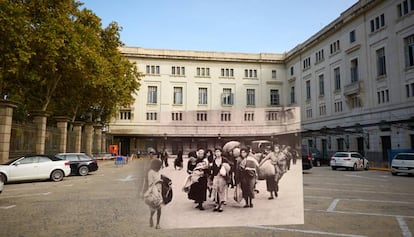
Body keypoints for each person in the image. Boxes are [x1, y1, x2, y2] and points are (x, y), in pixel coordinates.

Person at [143, 159, 163, 229]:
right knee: (154, 208)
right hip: (152, 191)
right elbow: (150, 183)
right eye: (159, 166)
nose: (160, 168)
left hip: (158, 191)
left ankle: (157, 224)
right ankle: (151, 218)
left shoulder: (159, 172)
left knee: (159, 208)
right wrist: (158, 181)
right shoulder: (150, 172)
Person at [211, 147, 230, 212]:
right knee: (215, 190)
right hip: (216, 176)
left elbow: (229, 167)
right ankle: (217, 204)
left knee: (221, 190)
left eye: (219, 152)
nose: (217, 153)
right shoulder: (214, 160)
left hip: (222, 177)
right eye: (216, 152)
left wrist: (225, 167)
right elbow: (213, 170)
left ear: (221, 153)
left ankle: (221, 205)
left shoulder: (224, 160)